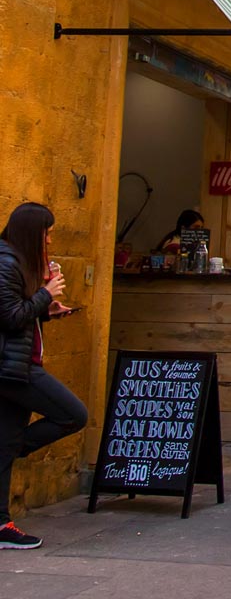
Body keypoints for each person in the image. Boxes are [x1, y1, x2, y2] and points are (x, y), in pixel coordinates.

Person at [0, 202, 88, 549]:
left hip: (14, 365)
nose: (50, 240)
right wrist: (44, 294)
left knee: (5, 444)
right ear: (32, 233)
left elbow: (19, 316)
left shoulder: (15, 261)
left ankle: (2, 525)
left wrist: (47, 311)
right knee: (72, 414)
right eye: (47, 233)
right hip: (12, 369)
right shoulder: (5, 262)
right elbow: (9, 316)